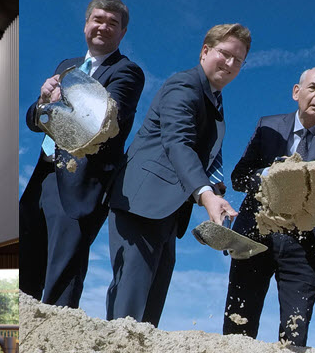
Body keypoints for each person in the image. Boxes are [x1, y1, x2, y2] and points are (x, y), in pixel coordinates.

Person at [103, 23, 249, 324]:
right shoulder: (184, 85)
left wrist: (212, 188)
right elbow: (177, 141)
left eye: (238, 60)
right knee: (128, 307)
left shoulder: (215, 102)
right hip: (142, 203)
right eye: (225, 54)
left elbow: (196, 154)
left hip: (168, 213)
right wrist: (205, 193)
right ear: (205, 51)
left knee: (150, 311)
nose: (230, 63)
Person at [25, 0, 144, 309]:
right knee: (26, 265)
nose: (103, 27)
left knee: (61, 276)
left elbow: (103, 122)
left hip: (80, 182)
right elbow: (34, 121)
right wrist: (42, 100)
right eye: (98, 19)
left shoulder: (127, 72)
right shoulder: (67, 66)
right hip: (43, 174)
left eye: (112, 23)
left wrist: (59, 100)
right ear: (86, 24)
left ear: (122, 32)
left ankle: (56, 348)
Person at [221, 67, 315, 347]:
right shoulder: (267, 126)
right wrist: (273, 177)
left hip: (304, 245)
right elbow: (238, 178)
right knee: (238, 326)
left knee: (295, 335)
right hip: (255, 236)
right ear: (297, 92)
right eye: (313, 87)